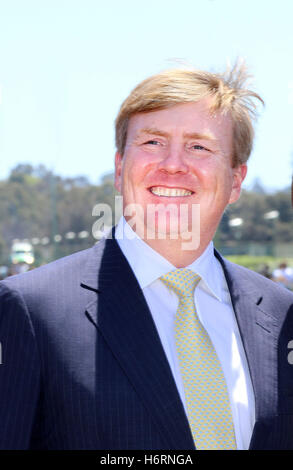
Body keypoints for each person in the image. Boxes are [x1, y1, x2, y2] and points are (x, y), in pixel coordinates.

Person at [1, 64, 293, 451]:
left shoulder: (280, 313)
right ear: (121, 167)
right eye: (153, 142)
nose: (173, 164)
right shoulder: (31, 310)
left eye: (199, 146)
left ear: (236, 180)